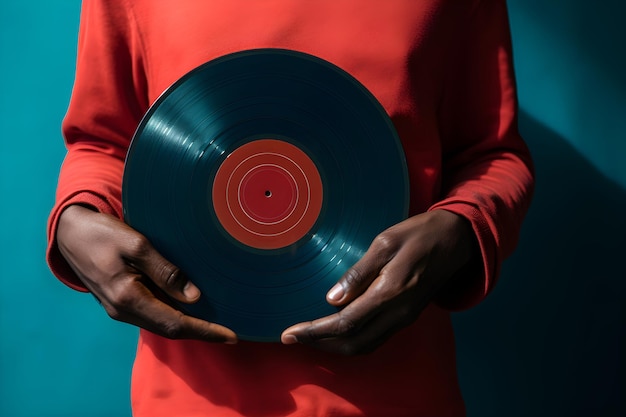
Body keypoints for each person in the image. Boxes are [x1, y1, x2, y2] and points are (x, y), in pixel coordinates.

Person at [47, 1, 535, 416]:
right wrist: (76, 214)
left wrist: (464, 228)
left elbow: (492, 154)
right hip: (191, 393)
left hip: (393, 390)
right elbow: (103, 140)